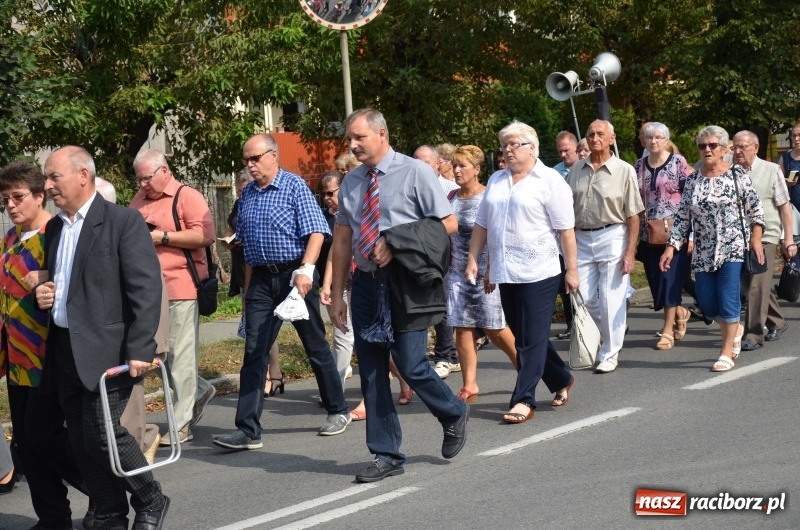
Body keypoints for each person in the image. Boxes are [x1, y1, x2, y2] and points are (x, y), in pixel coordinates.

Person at [330, 108, 468, 483]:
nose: (353, 145)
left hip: (406, 281)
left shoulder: (415, 171)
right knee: (372, 372)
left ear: (382, 134)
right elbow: (342, 239)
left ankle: (453, 411)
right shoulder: (352, 182)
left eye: (359, 137)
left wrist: (396, 241)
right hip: (366, 284)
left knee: (411, 364)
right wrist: (338, 293)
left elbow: (448, 224)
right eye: (350, 139)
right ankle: (386, 453)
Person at [36, 146, 169, 530]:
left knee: (102, 432)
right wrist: (43, 294)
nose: (46, 185)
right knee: (79, 437)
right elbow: (62, 285)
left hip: (108, 350)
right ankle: (110, 511)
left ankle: (151, 497)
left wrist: (142, 347)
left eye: (53, 177)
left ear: (82, 175)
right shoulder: (56, 228)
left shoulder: (122, 221)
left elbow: (145, 290)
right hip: (63, 347)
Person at [213, 133, 351, 451]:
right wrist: (248, 292)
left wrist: (306, 270)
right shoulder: (247, 195)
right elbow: (246, 248)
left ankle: (338, 409)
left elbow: (317, 230)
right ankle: (247, 429)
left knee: (315, 345)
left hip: (293, 274)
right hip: (261, 279)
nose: (249, 165)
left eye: (254, 159)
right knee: (254, 350)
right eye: (245, 160)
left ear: (273, 156)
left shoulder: (294, 186)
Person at [466, 121, 578, 422]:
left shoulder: (550, 180)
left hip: (540, 269)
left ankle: (524, 399)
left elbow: (566, 231)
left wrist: (572, 270)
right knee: (523, 336)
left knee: (530, 338)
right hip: (505, 269)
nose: (508, 150)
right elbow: (484, 224)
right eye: (505, 145)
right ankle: (560, 378)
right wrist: (478, 260)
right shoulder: (497, 180)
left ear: (533, 147)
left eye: (514, 144)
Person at [0, 161, 88, 529]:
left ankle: (105, 492)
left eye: (18, 197)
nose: (11, 205)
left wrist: (51, 276)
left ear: (40, 196)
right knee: (27, 443)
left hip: (48, 355)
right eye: (5, 199)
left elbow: (80, 276)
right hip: (16, 356)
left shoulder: (57, 233)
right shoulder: (9, 239)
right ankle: (53, 517)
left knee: (45, 435)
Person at [660, 126, 765, 372]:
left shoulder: (737, 175)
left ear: (724, 149)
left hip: (733, 246)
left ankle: (726, 352)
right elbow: (682, 218)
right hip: (704, 251)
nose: (707, 149)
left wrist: (756, 239)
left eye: (713, 145)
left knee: (728, 297)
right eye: (702, 146)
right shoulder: (694, 179)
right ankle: (734, 328)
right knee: (706, 303)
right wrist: (670, 248)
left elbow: (756, 210)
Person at [130, 149, 217, 446]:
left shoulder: (187, 196)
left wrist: (162, 237)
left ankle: (181, 425)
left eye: (146, 178)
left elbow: (205, 236)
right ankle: (200, 389)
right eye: (138, 179)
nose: (142, 184)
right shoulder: (138, 201)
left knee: (180, 357)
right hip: (148, 292)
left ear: (163, 171)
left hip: (181, 288)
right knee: (159, 357)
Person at [568, 120, 644, 373]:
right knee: (586, 297)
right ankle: (615, 331)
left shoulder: (623, 170)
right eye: (590, 134)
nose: (594, 138)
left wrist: (630, 252)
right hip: (581, 237)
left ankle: (609, 352)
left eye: (600, 134)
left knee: (611, 298)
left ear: (612, 138)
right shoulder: (577, 169)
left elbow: (634, 214)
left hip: (612, 234)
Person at [446, 145, 518, 403]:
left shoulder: (490, 197)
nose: (456, 170)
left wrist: (491, 269)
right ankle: (469, 384)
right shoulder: (451, 198)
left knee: (494, 328)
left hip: (488, 271)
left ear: (477, 170)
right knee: (462, 328)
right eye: (454, 165)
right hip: (457, 273)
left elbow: (499, 236)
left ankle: (526, 370)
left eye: (462, 166)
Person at [732, 130, 795, 350]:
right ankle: (777, 320)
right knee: (754, 283)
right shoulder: (730, 172)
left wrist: (788, 238)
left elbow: (784, 206)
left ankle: (753, 334)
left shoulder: (771, 170)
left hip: (766, 236)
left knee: (756, 285)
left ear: (756, 148)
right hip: (738, 237)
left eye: (742, 147)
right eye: (735, 147)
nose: (737, 151)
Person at [633, 122, 693, 350]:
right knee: (656, 282)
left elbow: (690, 199)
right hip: (649, 233)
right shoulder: (638, 165)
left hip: (675, 233)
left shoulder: (678, 163)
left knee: (669, 281)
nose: (654, 141)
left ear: (667, 141)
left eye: (658, 137)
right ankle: (680, 312)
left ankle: (667, 331)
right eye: (650, 138)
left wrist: (692, 234)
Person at [223, 170, 283, 396]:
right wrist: (229, 241)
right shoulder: (240, 205)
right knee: (252, 326)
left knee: (264, 326)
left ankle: (272, 374)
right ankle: (267, 375)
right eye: (238, 191)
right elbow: (231, 229)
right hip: (242, 269)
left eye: (243, 189)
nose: (241, 194)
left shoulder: (263, 202)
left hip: (263, 271)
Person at [414, 144, 459, 378]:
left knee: (441, 304)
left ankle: (445, 354)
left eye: (426, 162)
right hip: (418, 256)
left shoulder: (451, 189)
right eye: (417, 161)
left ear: (438, 164)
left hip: (445, 255)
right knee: (423, 305)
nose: (421, 166)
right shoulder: (410, 187)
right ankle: (442, 354)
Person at [552, 131, 580, 339]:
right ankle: (572, 324)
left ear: (576, 148)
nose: (563, 154)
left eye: (567, 150)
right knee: (565, 283)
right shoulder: (554, 173)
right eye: (560, 151)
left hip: (582, 232)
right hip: (563, 234)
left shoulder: (585, 168)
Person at [779, 119, 800, 213]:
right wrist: (787, 183)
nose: (796, 139)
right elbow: (777, 183)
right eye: (794, 136)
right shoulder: (785, 157)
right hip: (793, 208)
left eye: (799, 135)